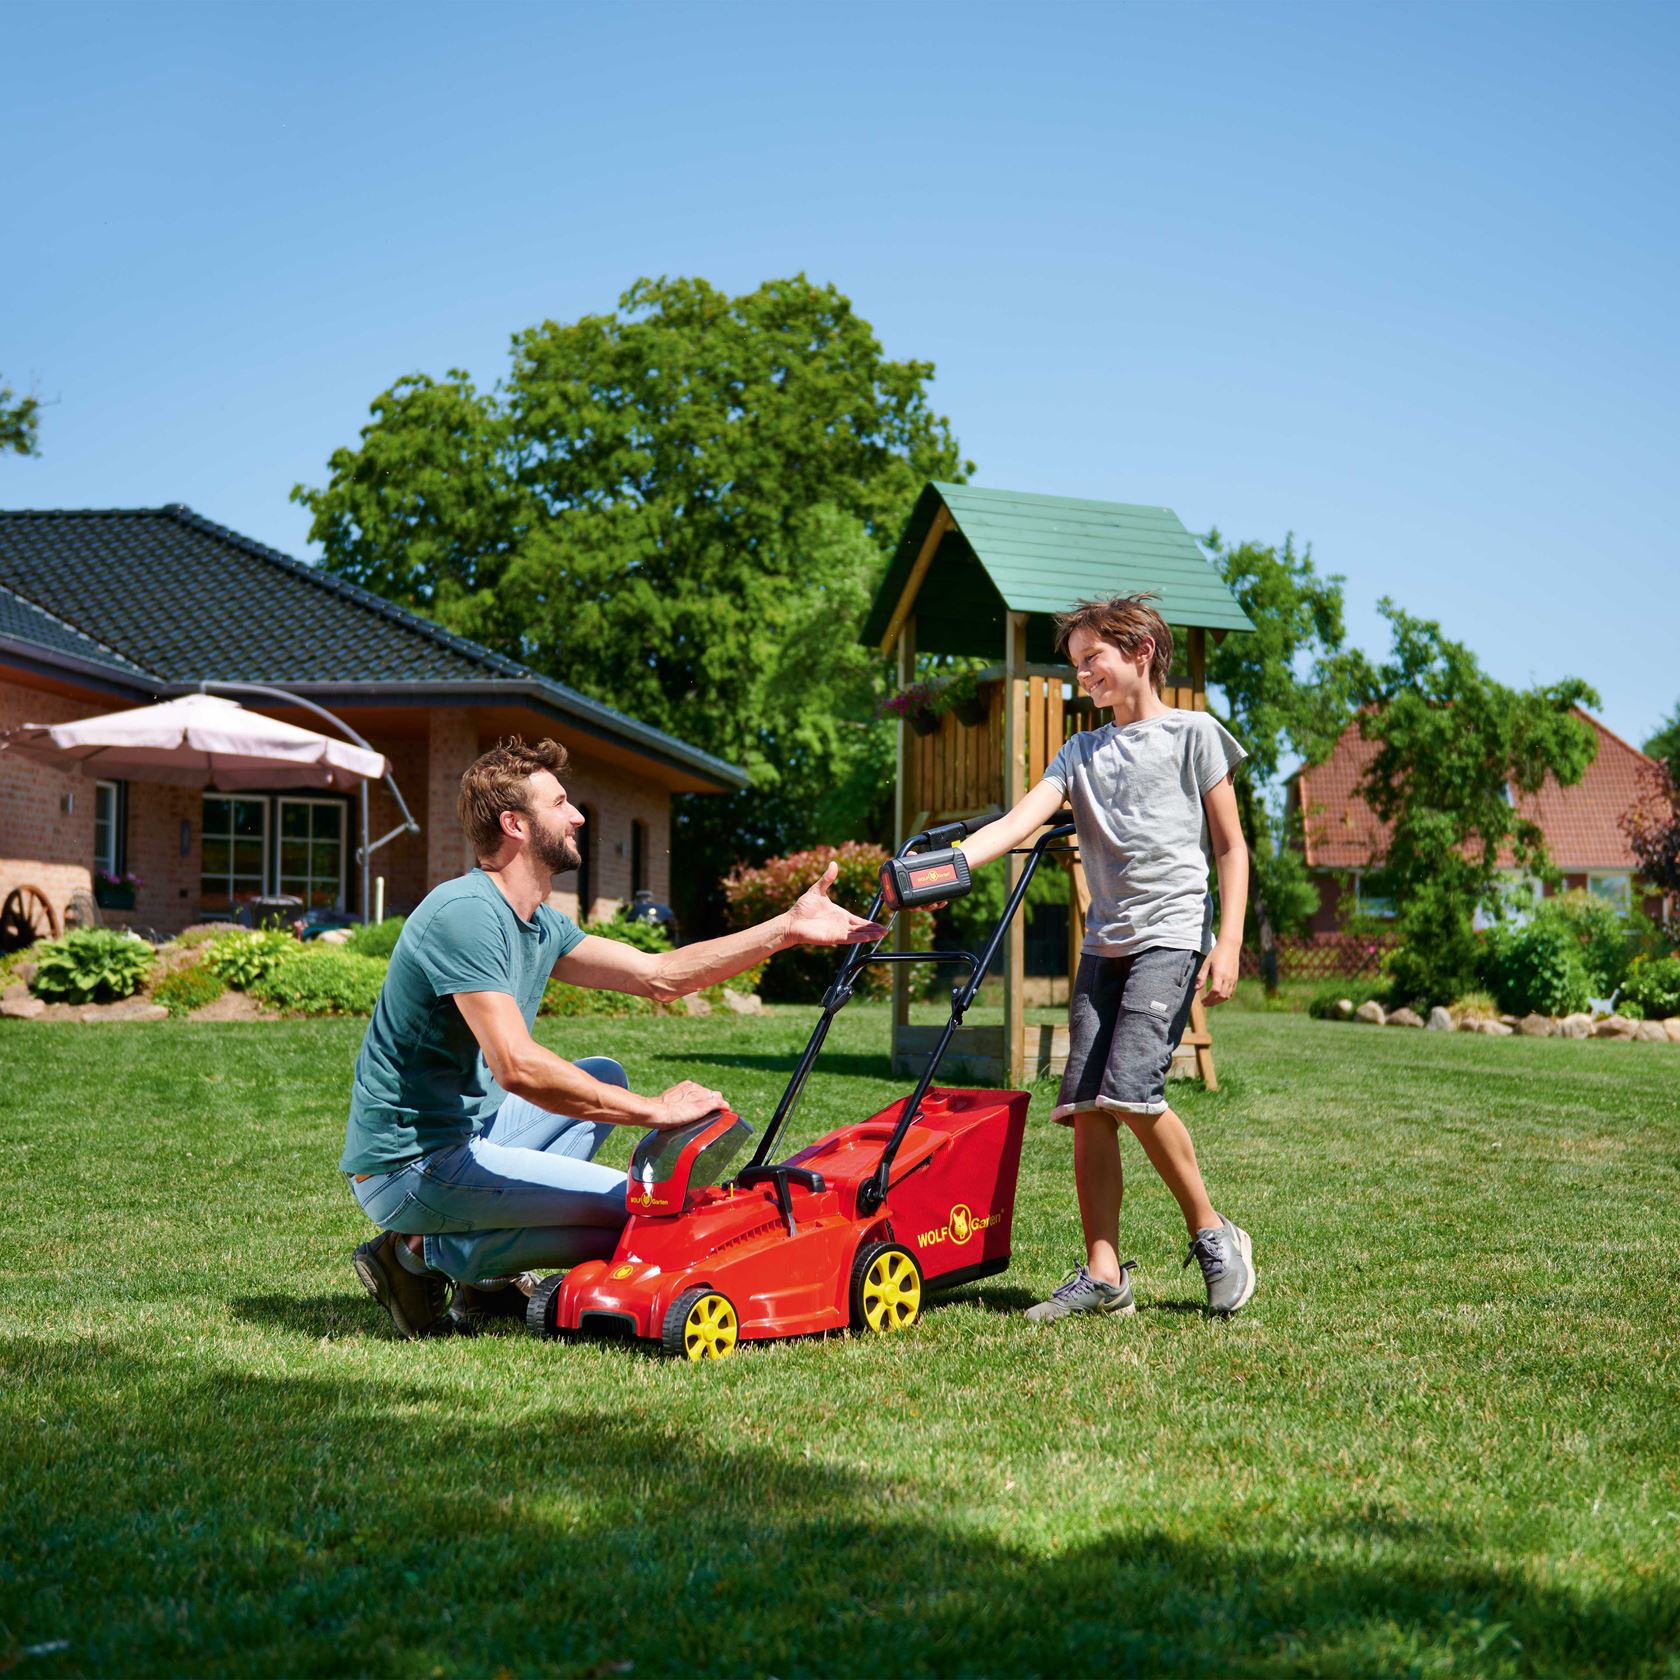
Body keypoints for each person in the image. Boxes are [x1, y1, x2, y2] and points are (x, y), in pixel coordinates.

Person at [343, 735, 886, 1339]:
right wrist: (653, 1112)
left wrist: (786, 929)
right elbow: (518, 1068)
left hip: (468, 1134)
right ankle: (420, 1254)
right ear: (515, 823)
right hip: (411, 1164)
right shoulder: (466, 914)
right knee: (639, 1217)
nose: (577, 815)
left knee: (603, 1075)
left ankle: (470, 1268)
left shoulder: (538, 921)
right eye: (561, 803)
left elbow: (660, 976)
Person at [955, 593, 1256, 1318]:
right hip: (1106, 944)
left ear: (1141, 652)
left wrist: (1231, 941)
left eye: (1094, 659)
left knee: (1130, 1089)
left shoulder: (1194, 735)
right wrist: (948, 869)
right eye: (1077, 664)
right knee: (1087, 1106)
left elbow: (1230, 846)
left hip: (1172, 934)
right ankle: (1104, 1274)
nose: (1083, 675)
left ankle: (1216, 1234)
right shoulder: (1081, 751)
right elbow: (1020, 819)